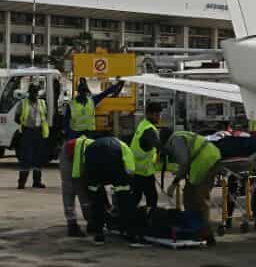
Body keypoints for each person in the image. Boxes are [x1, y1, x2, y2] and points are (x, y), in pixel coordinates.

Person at [71, 134, 138, 243]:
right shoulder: (125, 147)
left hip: (93, 159)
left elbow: (84, 166)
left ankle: (99, 234)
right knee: (124, 198)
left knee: (96, 200)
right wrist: (126, 184)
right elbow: (130, 170)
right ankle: (131, 234)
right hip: (113, 159)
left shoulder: (93, 144)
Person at [162, 130, 223, 244]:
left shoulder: (175, 141)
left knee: (197, 199)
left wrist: (174, 184)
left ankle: (205, 234)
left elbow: (184, 162)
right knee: (191, 196)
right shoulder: (180, 135)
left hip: (204, 161)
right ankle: (197, 230)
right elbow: (187, 160)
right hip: (211, 157)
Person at [206, 125, 256, 233]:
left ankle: (230, 219)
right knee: (237, 188)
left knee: (235, 188)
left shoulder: (225, 138)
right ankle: (253, 220)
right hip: (243, 157)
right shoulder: (235, 137)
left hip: (238, 157)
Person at [129, 101, 164, 232]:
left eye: (159, 114)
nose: (159, 117)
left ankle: (128, 222)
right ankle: (150, 224)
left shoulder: (143, 125)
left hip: (137, 169)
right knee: (152, 198)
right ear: (149, 114)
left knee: (135, 198)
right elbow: (157, 145)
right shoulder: (149, 130)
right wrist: (166, 151)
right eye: (156, 114)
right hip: (144, 172)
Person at [14, 84, 48, 189]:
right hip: (27, 132)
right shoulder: (22, 103)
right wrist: (24, 125)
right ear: (29, 92)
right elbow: (16, 118)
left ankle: (37, 182)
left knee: (38, 157)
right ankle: (21, 183)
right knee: (26, 157)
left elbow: (44, 116)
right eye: (33, 92)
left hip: (38, 132)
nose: (35, 94)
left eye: (36, 92)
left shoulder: (42, 103)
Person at [59, 135, 93, 236]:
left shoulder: (93, 146)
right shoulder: (93, 149)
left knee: (73, 190)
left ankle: (74, 223)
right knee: (80, 191)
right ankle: (84, 223)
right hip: (69, 155)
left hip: (70, 152)